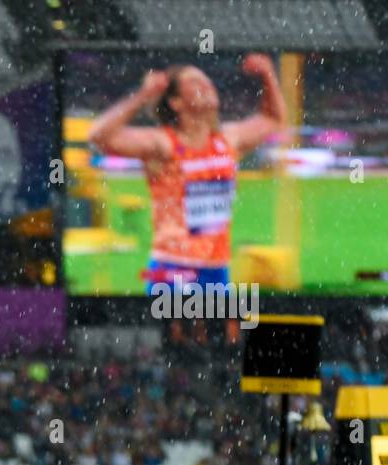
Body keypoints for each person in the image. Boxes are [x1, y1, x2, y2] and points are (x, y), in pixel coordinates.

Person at [87, 53, 284, 293]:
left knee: (222, 331)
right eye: (195, 83)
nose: (207, 86)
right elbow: (98, 136)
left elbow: (273, 119)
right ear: (176, 102)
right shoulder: (164, 145)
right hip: (172, 267)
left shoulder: (228, 140)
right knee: (179, 331)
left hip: (216, 268)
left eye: (208, 81)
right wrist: (143, 96)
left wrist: (267, 75)